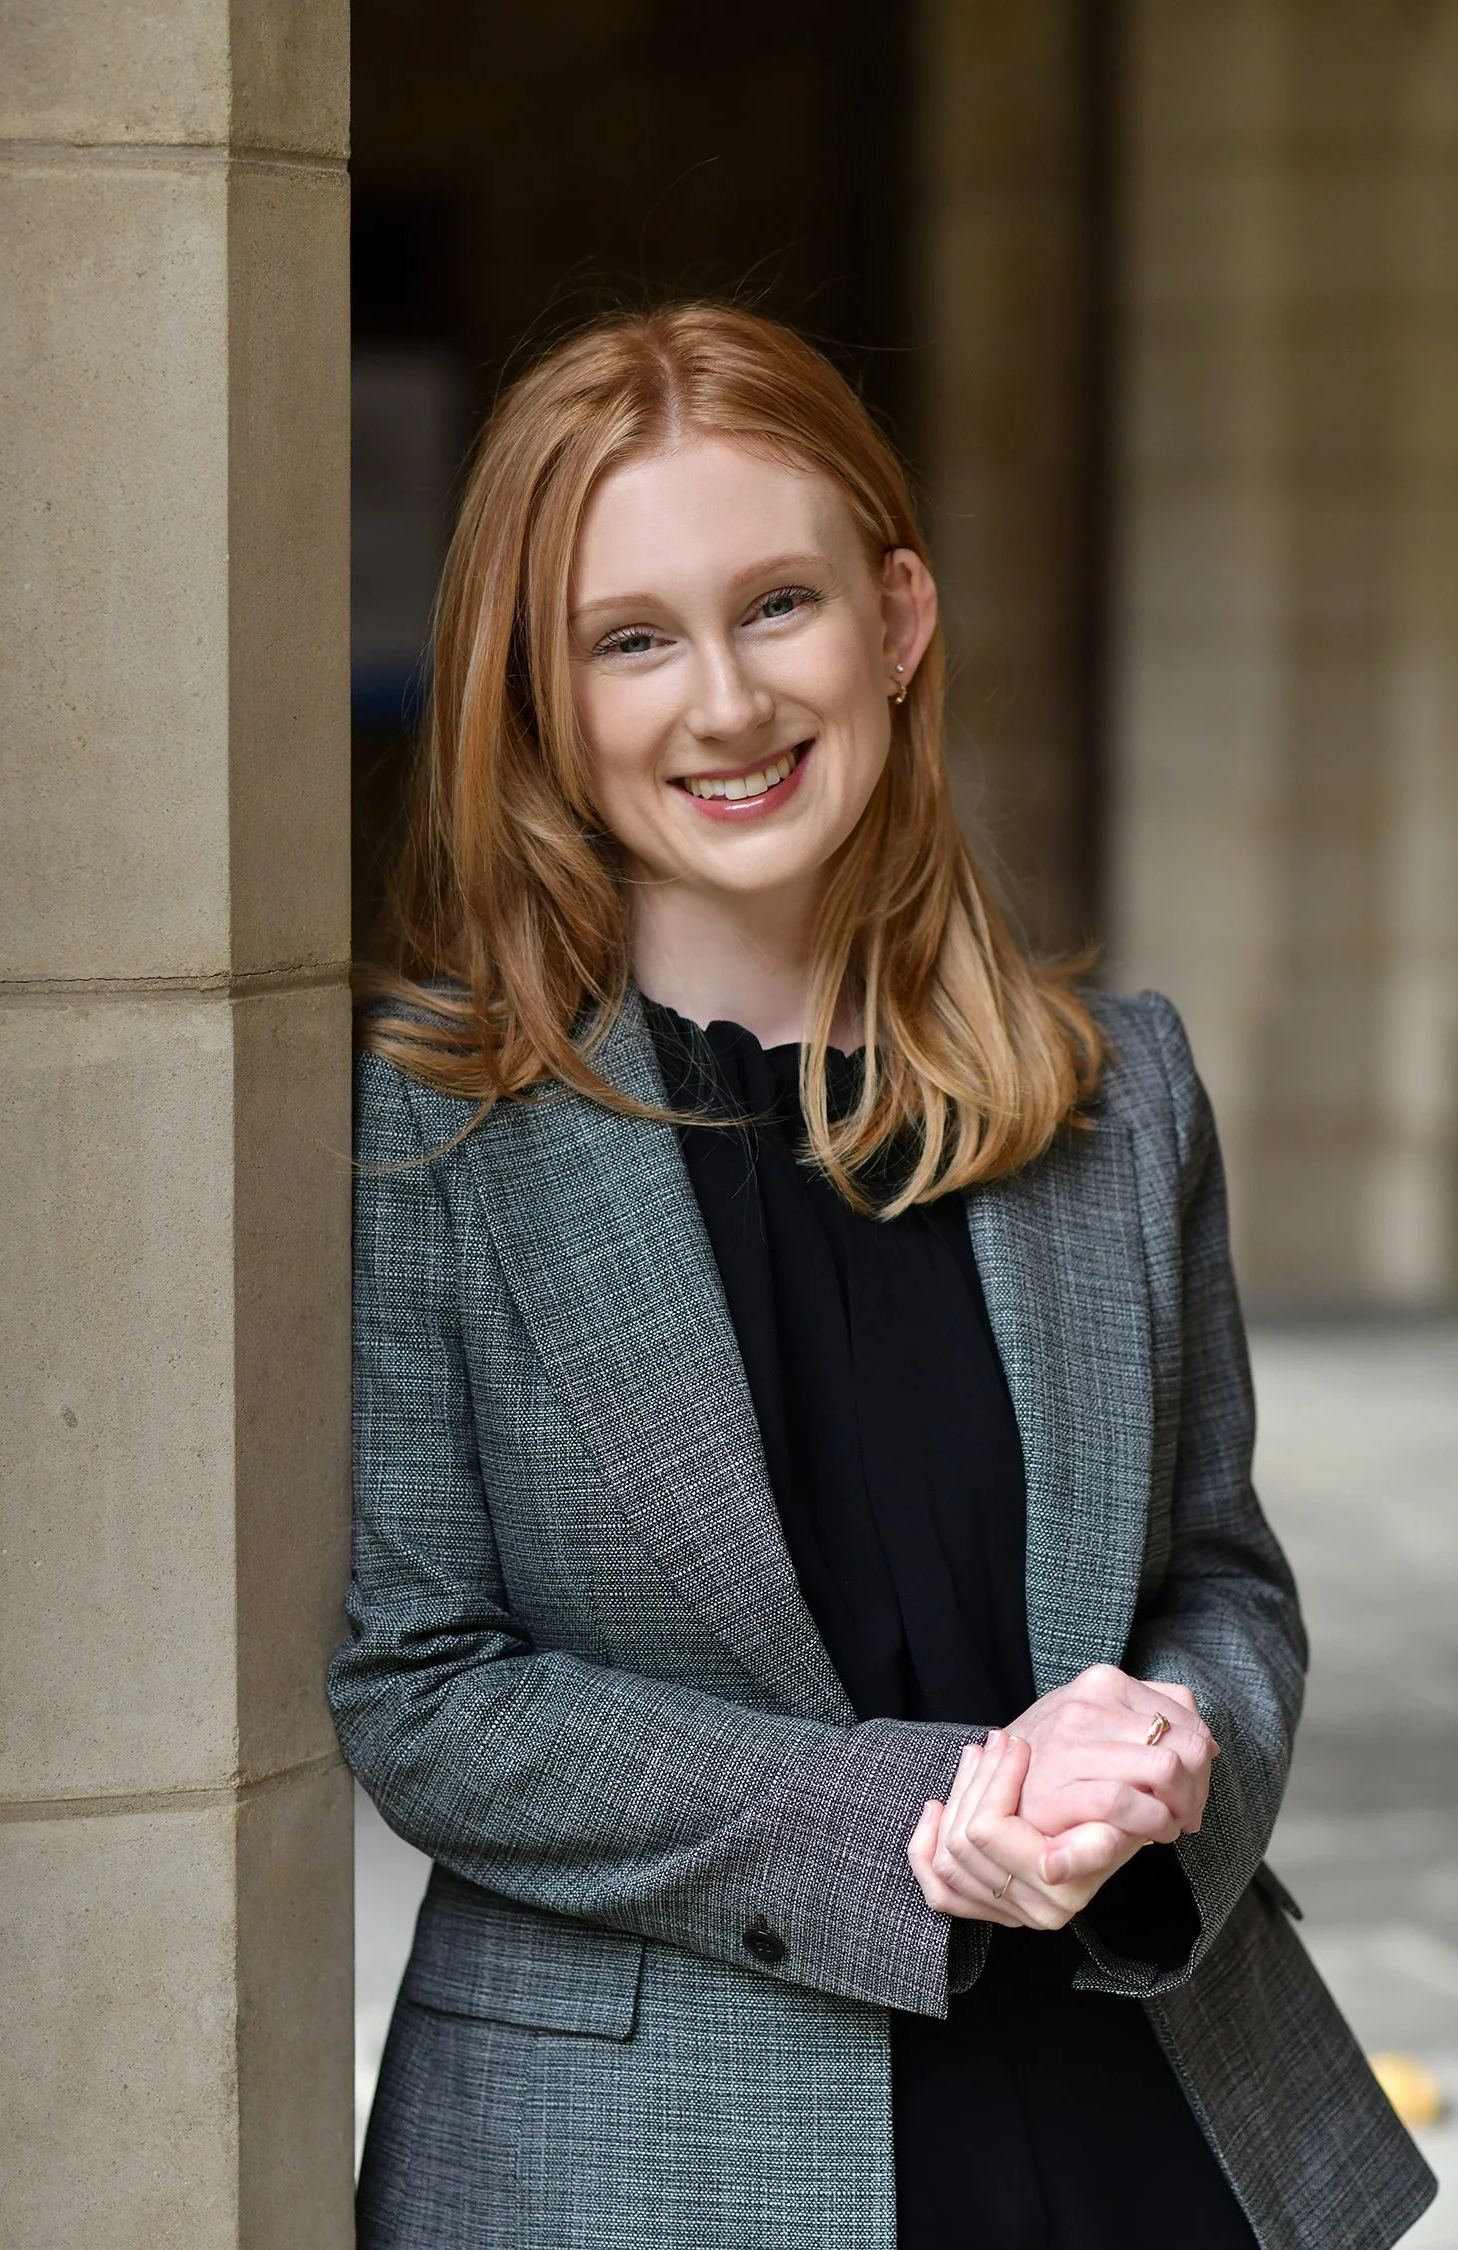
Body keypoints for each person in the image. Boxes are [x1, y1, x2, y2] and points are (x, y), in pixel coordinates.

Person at [327, 303, 1434, 2250]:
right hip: (640, 2162)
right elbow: (428, 1692)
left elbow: (1220, 1582)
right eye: (633, 639)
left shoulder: (1119, 1091)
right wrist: (911, 1823)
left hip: (1132, 2120)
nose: (726, 701)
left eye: (780, 605)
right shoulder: (433, 1139)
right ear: (545, 690)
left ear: (898, 619)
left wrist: (1168, 1753)